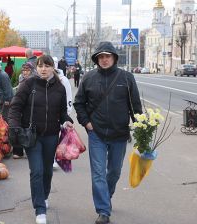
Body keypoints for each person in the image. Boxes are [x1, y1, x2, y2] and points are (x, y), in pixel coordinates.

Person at [73, 41, 142, 224]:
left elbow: (135, 106)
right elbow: (79, 103)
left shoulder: (126, 78)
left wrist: (143, 130)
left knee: (114, 172)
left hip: (120, 134)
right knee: (98, 173)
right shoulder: (88, 78)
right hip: (97, 134)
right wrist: (86, 123)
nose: (104, 60)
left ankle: (106, 195)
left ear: (114, 58)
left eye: (107, 56)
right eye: (101, 57)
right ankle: (103, 210)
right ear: (97, 59)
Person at [8, 55, 73, 224]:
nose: (43, 69)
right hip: (32, 136)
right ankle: (40, 210)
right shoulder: (28, 84)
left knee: (47, 171)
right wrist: (14, 125)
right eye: (40, 65)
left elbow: (62, 112)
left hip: (51, 136)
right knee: (36, 171)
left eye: (47, 65)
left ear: (53, 67)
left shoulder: (59, 87)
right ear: (36, 68)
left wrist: (67, 121)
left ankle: (43, 196)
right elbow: (15, 107)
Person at [12, 62, 36, 159]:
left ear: (31, 71)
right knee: (17, 127)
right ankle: (18, 151)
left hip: (30, 107)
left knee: (28, 128)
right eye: (24, 70)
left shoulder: (35, 80)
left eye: (27, 70)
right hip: (19, 106)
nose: (25, 72)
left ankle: (29, 147)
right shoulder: (21, 78)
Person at [53, 56, 73, 168]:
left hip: (61, 113)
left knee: (60, 135)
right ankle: (53, 158)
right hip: (49, 113)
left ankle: (57, 157)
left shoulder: (63, 79)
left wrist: (68, 112)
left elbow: (69, 96)